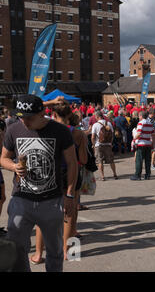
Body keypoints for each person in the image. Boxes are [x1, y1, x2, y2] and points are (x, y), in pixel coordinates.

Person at [1, 95, 78, 272]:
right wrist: (13, 166)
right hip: (21, 199)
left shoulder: (60, 131)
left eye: (30, 117)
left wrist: (70, 194)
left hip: (51, 200)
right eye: (22, 116)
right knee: (16, 248)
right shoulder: (13, 129)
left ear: (43, 113)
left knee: (55, 251)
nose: (25, 121)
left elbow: (73, 163)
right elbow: (3, 158)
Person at [30, 102, 88, 263]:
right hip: (72, 173)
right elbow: (83, 159)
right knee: (70, 213)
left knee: (42, 215)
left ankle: (38, 254)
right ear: (70, 114)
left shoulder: (48, 130)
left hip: (50, 172)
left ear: (53, 115)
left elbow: (33, 107)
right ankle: (68, 252)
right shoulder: (78, 134)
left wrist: (51, 102)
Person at [91, 111, 118, 181]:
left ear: (97, 117)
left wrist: (93, 145)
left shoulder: (95, 125)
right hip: (108, 145)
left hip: (98, 145)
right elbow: (112, 134)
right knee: (111, 160)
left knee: (100, 161)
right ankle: (115, 174)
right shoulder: (108, 123)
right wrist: (110, 143)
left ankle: (102, 176)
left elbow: (93, 137)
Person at [130, 111, 155, 181]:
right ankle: (148, 174)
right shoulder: (150, 123)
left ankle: (137, 175)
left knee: (139, 160)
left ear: (141, 116)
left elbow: (138, 133)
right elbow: (153, 134)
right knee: (147, 160)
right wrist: (152, 142)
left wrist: (134, 139)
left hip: (141, 143)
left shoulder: (140, 123)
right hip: (148, 143)